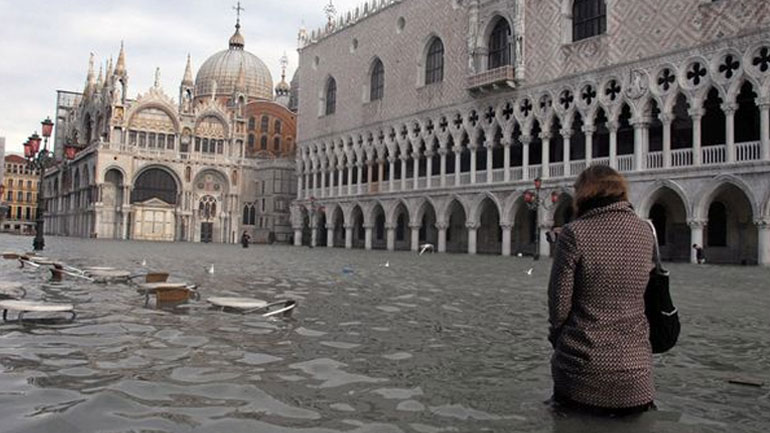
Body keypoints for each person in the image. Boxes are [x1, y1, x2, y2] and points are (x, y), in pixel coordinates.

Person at [548, 165, 656, 416]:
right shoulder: (645, 231)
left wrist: (559, 341)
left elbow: (559, 304)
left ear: (583, 193)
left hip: (582, 373)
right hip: (637, 377)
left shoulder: (575, 233)